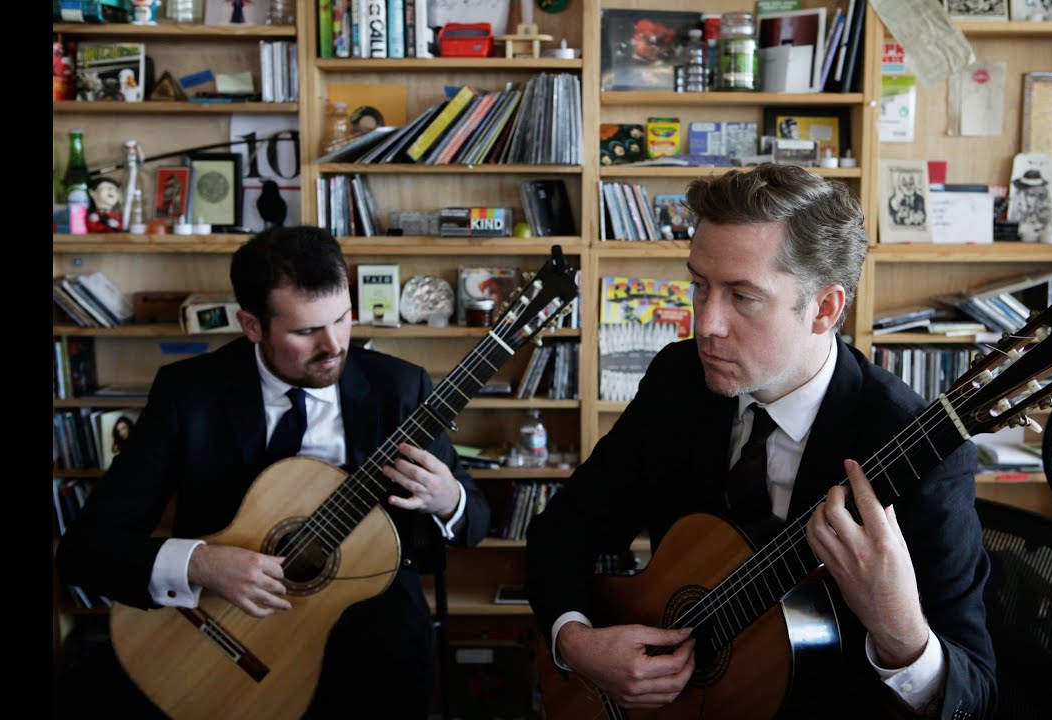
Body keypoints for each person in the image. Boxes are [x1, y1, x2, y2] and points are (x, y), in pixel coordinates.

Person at [525, 164, 995, 719]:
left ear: (824, 309)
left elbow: (976, 697)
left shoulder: (918, 448)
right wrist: (575, 642)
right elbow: (564, 531)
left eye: (742, 297)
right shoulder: (679, 381)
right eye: (700, 285)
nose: (706, 324)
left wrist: (901, 633)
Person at [55, 225, 490, 718]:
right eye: (305, 332)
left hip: (370, 630)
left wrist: (447, 499)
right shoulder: (188, 394)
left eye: (342, 318)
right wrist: (200, 564)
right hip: (220, 630)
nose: (333, 345)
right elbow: (85, 550)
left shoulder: (401, 387)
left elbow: (475, 521)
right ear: (252, 325)